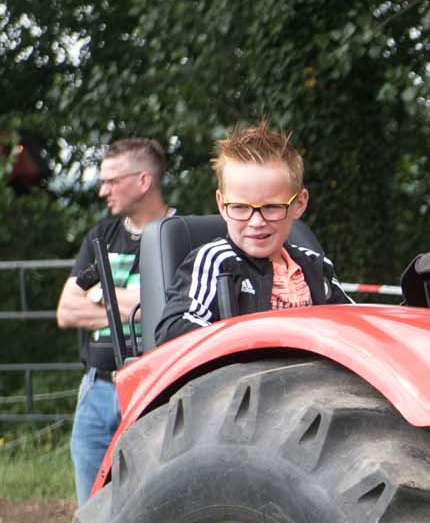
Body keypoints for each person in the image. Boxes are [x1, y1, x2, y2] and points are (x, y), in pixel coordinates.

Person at [55, 134, 172, 501]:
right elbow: (66, 311)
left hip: (154, 390)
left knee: (149, 502)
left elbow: (166, 310)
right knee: (91, 506)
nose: (102, 190)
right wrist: (137, 304)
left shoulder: (180, 236)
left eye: (111, 181)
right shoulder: (101, 237)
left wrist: (102, 294)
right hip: (96, 389)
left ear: (143, 181)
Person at [172, 123, 352, 330]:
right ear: (221, 205)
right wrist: (239, 339)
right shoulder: (216, 262)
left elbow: (353, 322)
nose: (256, 222)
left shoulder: (316, 266)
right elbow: (176, 325)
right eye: (240, 207)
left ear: (299, 204)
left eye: (272, 207)